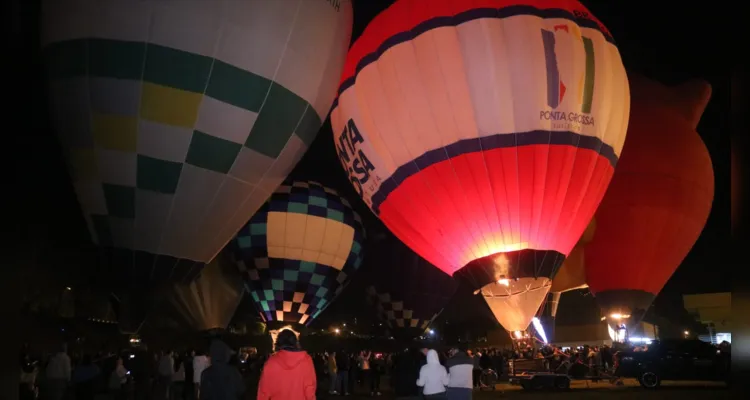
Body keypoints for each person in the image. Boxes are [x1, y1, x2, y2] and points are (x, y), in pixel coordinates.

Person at [257, 329, 316, 399]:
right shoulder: (306, 360)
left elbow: (263, 392)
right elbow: (310, 389)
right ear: (296, 342)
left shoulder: (271, 363)